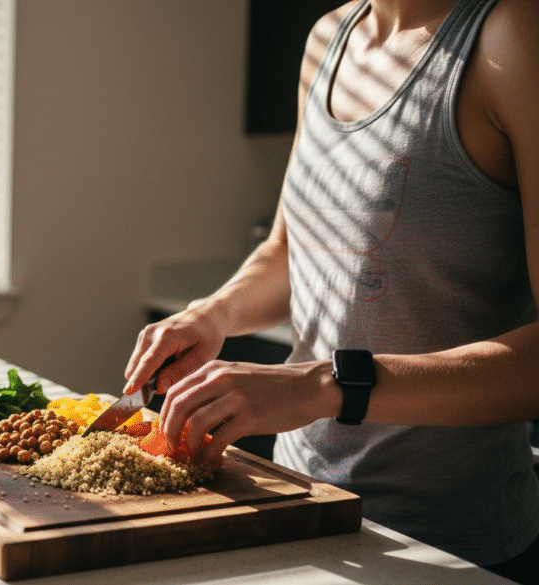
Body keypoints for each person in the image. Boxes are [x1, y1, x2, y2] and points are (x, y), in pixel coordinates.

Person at [123, 0, 539, 581]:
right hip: (301, 502)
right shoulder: (330, 37)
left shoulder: (510, 36)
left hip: (445, 541)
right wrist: (211, 315)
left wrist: (330, 384)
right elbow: (291, 251)